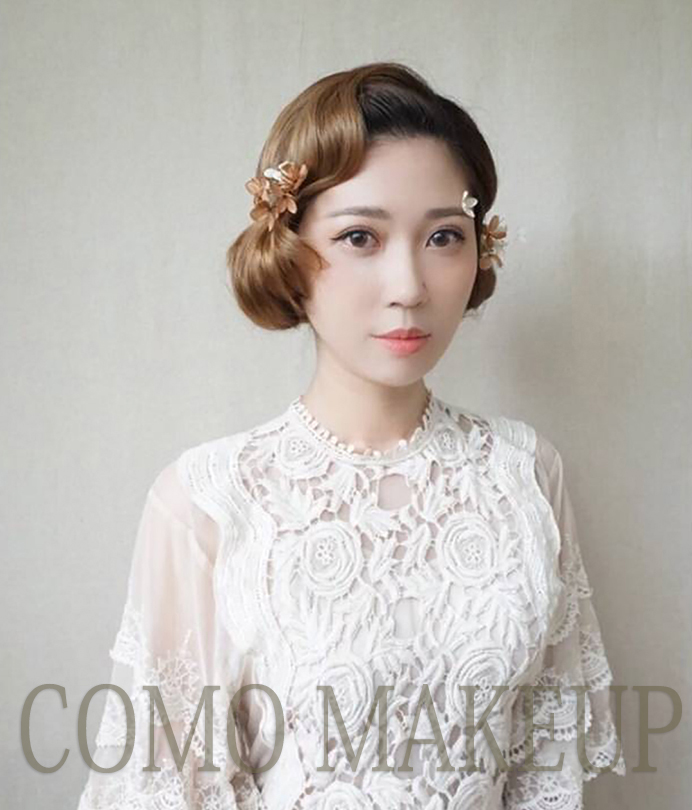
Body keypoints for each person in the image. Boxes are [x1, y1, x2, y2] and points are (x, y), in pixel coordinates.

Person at [76, 62, 626, 810]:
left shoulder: (524, 474)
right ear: (289, 249)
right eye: (360, 236)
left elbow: (544, 773)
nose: (409, 286)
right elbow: (164, 788)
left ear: (479, 250)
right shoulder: (209, 502)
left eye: (443, 236)